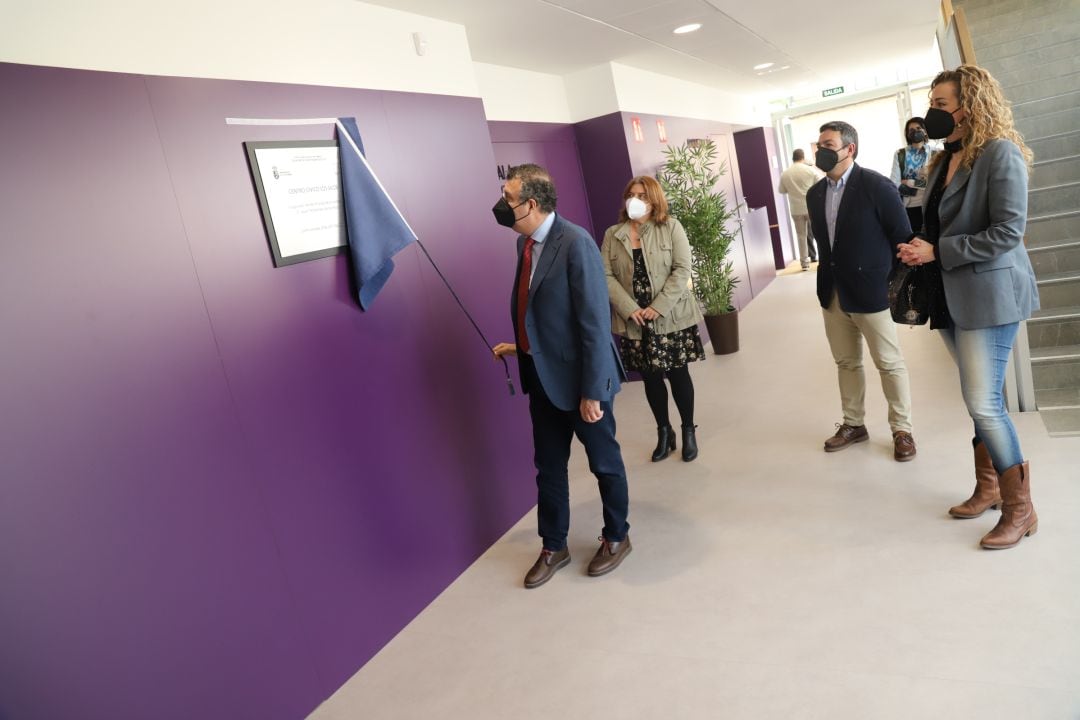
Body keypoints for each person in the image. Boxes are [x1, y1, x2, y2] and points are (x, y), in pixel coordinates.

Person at [897, 65, 1040, 550]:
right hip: (949, 294)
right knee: (984, 400)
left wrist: (939, 251)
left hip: (990, 295)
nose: (930, 114)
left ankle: (1021, 509)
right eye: (932, 103)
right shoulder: (943, 161)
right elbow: (940, 226)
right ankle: (990, 487)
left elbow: (1008, 233)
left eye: (940, 104)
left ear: (970, 104)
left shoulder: (1000, 154)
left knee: (982, 401)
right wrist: (921, 244)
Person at [491, 163, 632, 587]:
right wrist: (522, 347)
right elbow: (541, 314)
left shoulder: (576, 243)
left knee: (604, 464)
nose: (500, 204)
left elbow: (592, 323)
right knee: (548, 468)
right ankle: (554, 545)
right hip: (541, 378)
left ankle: (616, 537)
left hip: (582, 383)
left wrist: (592, 392)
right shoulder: (525, 245)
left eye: (507, 197)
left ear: (530, 204)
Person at [807, 121, 917, 462]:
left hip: (872, 292)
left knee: (889, 363)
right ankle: (854, 424)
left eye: (827, 144)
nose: (819, 150)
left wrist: (889, 283)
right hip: (832, 292)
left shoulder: (877, 186)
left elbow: (903, 237)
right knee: (846, 362)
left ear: (848, 148)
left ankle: (902, 430)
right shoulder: (815, 193)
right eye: (818, 144)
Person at [601, 176, 705, 463]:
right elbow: (605, 275)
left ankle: (687, 430)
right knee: (650, 378)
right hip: (635, 320)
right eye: (631, 194)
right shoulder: (614, 234)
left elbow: (682, 269)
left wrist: (658, 306)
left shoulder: (670, 227)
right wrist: (628, 307)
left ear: (655, 200)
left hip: (669, 316)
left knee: (678, 374)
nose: (636, 200)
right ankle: (664, 432)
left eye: (643, 196)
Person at [889, 116, 936, 234]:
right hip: (909, 206)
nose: (915, 132)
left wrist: (911, 182)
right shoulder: (900, 154)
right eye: (911, 130)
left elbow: (934, 182)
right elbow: (894, 183)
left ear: (925, 131)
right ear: (907, 134)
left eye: (919, 128)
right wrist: (915, 191)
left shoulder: (936, 153)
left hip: (931, 204)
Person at [778, 148, 822, 270]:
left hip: (796, 209)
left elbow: (781, 190)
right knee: (818, 233)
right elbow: (821, 184)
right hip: (811, 207)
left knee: (801, 236)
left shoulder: (785, 173)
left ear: (793, 158)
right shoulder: (809, 170)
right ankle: (823, 259)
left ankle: (804, 264)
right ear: (803, 157)